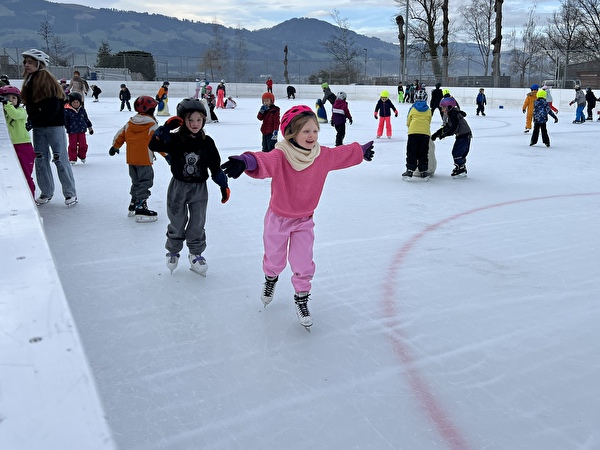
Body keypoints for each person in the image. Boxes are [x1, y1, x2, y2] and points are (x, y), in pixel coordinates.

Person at [220, 105, 375, 330]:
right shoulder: (281, 155)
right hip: (279, 218)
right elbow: (264, 160)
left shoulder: (321, 156)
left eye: (315, 131)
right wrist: (246, 161)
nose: (312, 136)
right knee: (274, 259)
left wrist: (360, 151)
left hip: (304, 219)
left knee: (303, 261)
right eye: (306, 131)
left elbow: (342, 154)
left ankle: (301, 298)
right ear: (291, 133)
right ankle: (271, 279)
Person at [148, 98, 230, 276]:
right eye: (190, 120)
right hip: (178, 187)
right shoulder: (175, 139)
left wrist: (223, 185)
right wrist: (165, 129)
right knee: (177, 220)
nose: (195, 124)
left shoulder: (207, 142)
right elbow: (153, 144)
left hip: (199, 189)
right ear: (182, 121)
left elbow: (214, 166)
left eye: (199, 120)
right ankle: (173, 250)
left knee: (197, 222)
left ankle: (195, 253)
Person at [20, 49, 78, 207]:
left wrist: (34, 119)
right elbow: (31, 106)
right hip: (39, 128)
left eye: (30, 62)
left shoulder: (46, 80)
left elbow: (52, 108)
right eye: (25, 62)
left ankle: (70, 193)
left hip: (53, 127)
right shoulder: (29, 81)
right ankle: (46, 192)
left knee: (59, 158)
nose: (26, 65)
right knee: (40, 159)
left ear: (39, 63)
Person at [109, 96, 160, 222]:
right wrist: (167, 155)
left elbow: (120, 135)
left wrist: (115, 147)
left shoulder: (130, 123)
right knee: (146, 182)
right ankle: (141, 206)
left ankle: (133, 202)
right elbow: (159, 142)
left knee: (136, 181)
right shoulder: (152, 125)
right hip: (144, 159)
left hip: (131, 159)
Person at [0, 85, 36, 197]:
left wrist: (7, 104)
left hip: (23, 146)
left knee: (26, 174)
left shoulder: (21, 111)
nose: (10, 100)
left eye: (13, 98)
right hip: (7, 147)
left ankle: (30, 196)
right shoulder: (2, 114)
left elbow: (14, 115)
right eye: (7, 98)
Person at [431, 97, 472, 178]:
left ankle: (461, 168)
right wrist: (436, 134)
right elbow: (447, 127)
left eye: (443, 108)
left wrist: (443, 135)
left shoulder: (453, 114)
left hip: (464, 136)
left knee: (457, 153)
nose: (442, 110)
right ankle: (461, 166)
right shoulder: (452, 114)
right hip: (463, 135)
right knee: (458, 152)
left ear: (449, 107)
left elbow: (453, 129)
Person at [402, 89, 432, 181]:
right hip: (425, 133)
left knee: (412, 152)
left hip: (413, 133)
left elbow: (408, 121)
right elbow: (429, 120)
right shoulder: (428, 110)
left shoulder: (412, 108)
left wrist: (410, 127)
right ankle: (423, 171)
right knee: (423, 152)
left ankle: (410, 170)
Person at [64, 92, 93, 165]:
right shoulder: (67, 110)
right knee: (72, 145)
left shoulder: (82, 110)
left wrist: (90, 128)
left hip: (81, 130)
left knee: (83, 145)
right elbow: (65, 121)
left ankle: (82, 155)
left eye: (77, 102)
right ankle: (72, 158)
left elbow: (86, 119)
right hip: (72, 131)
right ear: (70, 102)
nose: (76, 104)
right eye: (74, 102)